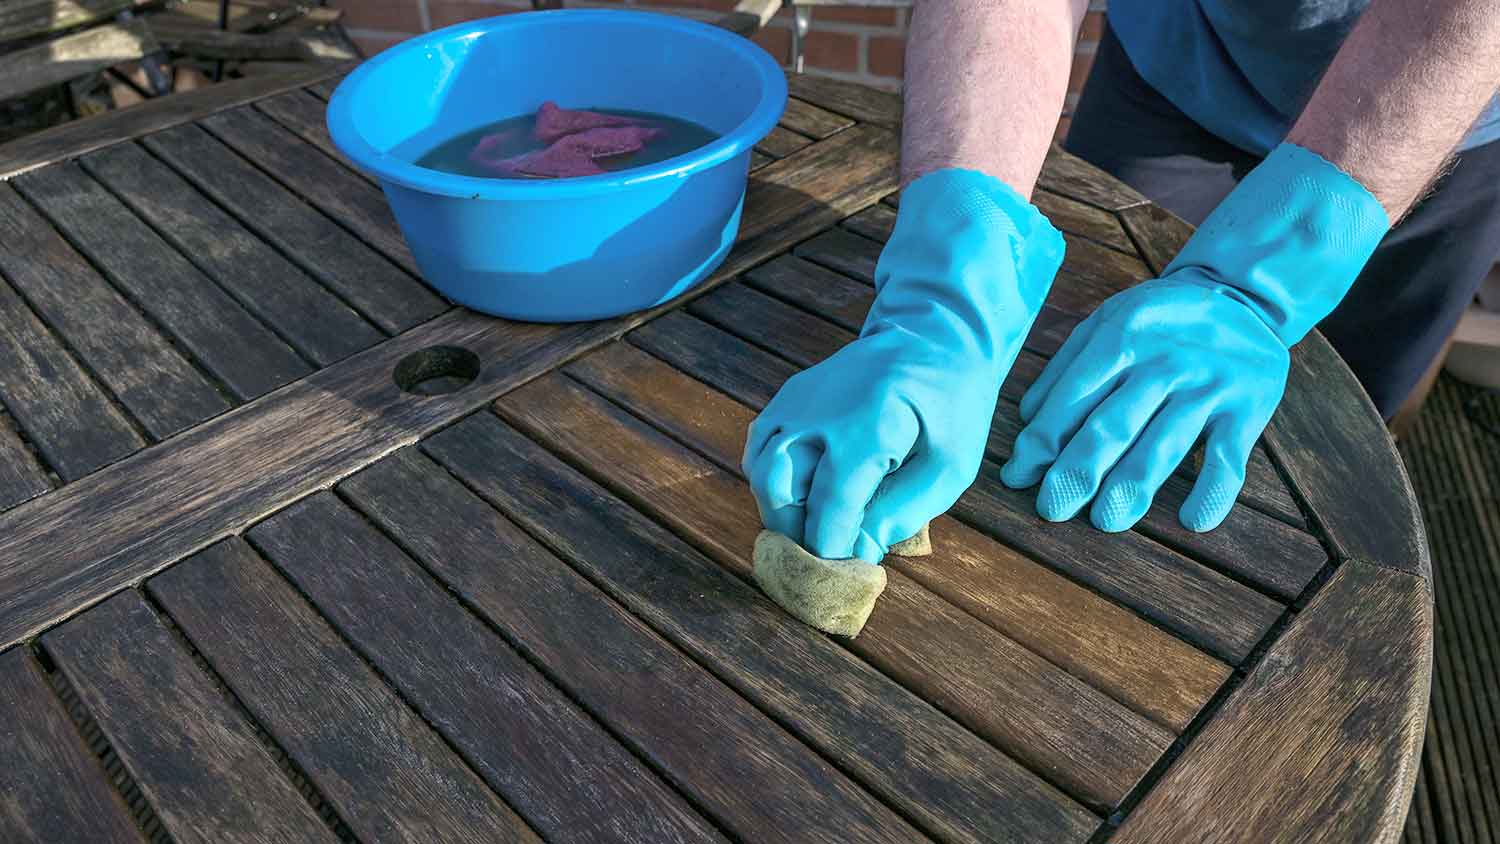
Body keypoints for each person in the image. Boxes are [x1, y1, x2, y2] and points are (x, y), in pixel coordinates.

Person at [742, 0, 1500, 563]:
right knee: (1074, 399)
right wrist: (942, 299)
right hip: (1184, 60)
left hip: (1439, 109)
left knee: (1348, 432)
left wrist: (1265, 279)